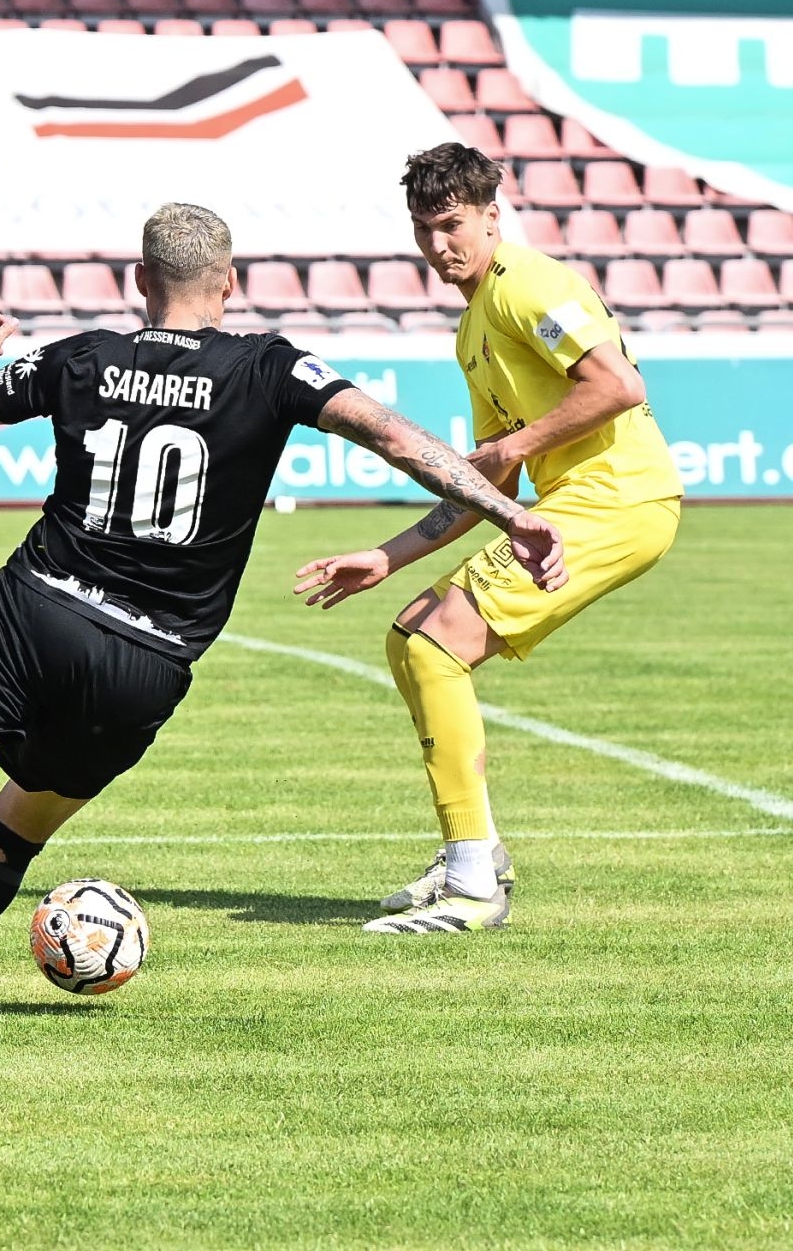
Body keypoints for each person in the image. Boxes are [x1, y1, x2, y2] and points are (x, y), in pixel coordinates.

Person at [0, 202, 567, 1022]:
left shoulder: (85, 356)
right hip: (145, 663)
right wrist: (507, 511)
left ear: (140, 279)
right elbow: (397, 438)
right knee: (10, 839)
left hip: (36, 607)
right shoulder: (272, 367)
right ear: (229, 283)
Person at [293, 143, 683, 935]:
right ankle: (475, 855)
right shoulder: (474, 325)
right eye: (424, 229)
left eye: (452, 224)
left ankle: (474, 883)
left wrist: (516, 443)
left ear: (491, 216)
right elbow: (490, 479)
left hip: (619, 499)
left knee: (436, 644)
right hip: (581, 500)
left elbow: (617, 385)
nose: (439, 245)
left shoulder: (527, 283)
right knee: (411, 636)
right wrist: (387, 555)